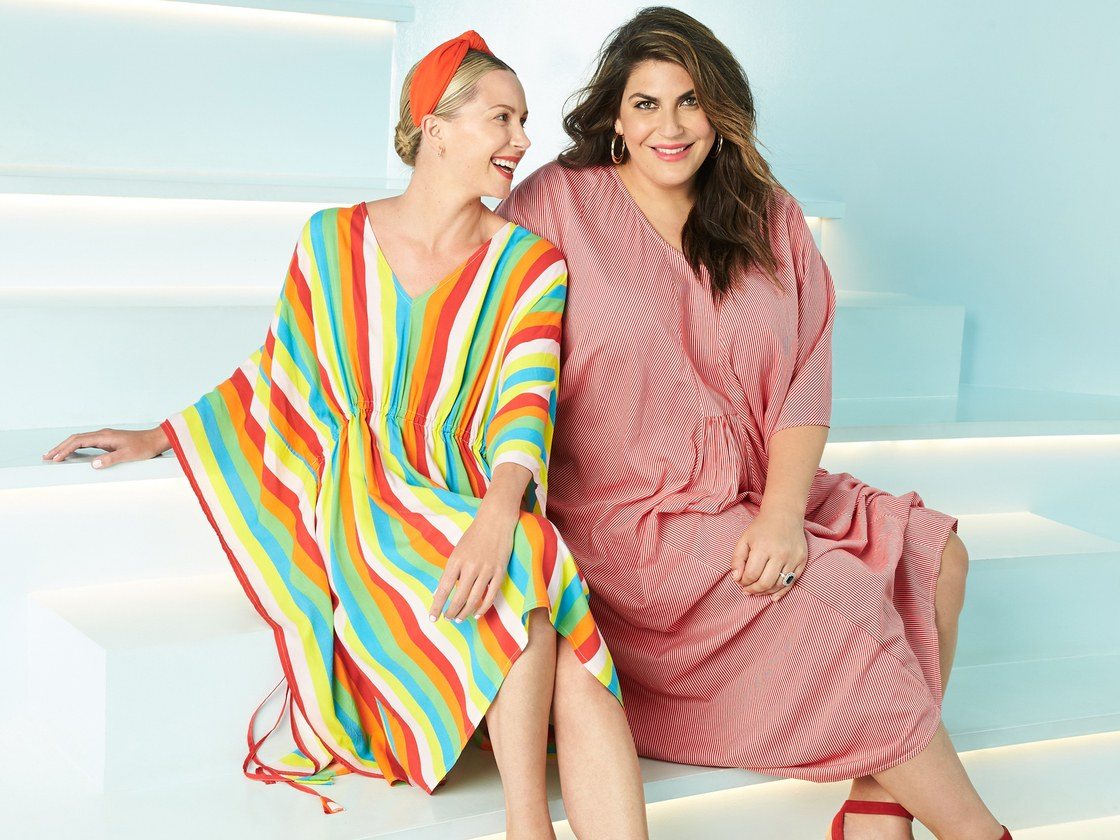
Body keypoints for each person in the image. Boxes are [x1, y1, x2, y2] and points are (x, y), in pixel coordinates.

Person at [43, 32, 649, 838]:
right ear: (436, 128)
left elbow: (524, 397)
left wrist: (502, 507)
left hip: (465, 485)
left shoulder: (531, 264)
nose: (522, 140)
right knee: (539, 574)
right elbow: (279, 370)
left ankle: (523, 827)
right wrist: (162, 435)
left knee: (535, 573)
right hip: (363, 493)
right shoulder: (331, 239)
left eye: (524, 121)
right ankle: (526, 824)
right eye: (502, 119)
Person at [497, 7, 1013, 840]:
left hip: (760, 486)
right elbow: (492, 353)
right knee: (842, 599)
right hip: (635, 519)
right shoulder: (557, 205)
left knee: (938, 554)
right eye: (645, 104)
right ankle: (977, 832)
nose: (670, 126)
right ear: (615, 118)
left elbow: (807, 375)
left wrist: (781, 512)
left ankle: (881, 806)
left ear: (721, 110)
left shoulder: (766, 211)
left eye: (690, 101)